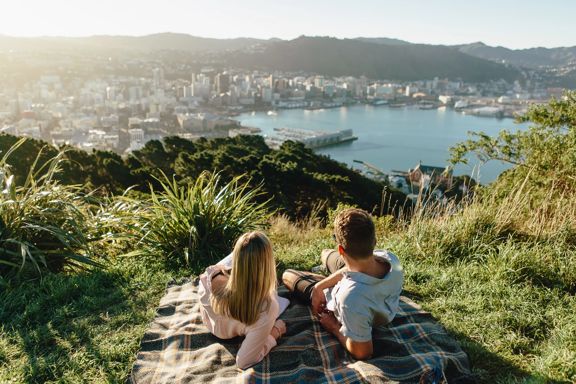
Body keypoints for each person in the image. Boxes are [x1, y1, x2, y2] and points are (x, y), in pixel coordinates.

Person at [282, 208, 403, 360]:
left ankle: (319, 273)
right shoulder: (390, 259)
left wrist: (333, 326)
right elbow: (354, 268)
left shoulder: (350, 300)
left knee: (287, 275)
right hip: (360, 267)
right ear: (374, 241)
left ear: (341, 249)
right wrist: (322, 285)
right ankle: (325, 262)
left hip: (343, 291)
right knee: (325, 254)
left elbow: (363, 352)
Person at [198, 231, 287, 369]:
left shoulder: (210, 277)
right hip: (234, 324)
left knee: (247, 250)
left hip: (210, 321)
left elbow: (207, 279)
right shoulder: (267, 309)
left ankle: (243, 256)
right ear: (269, 264)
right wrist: (275, 332)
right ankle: (254, 260)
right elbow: (243, 361)